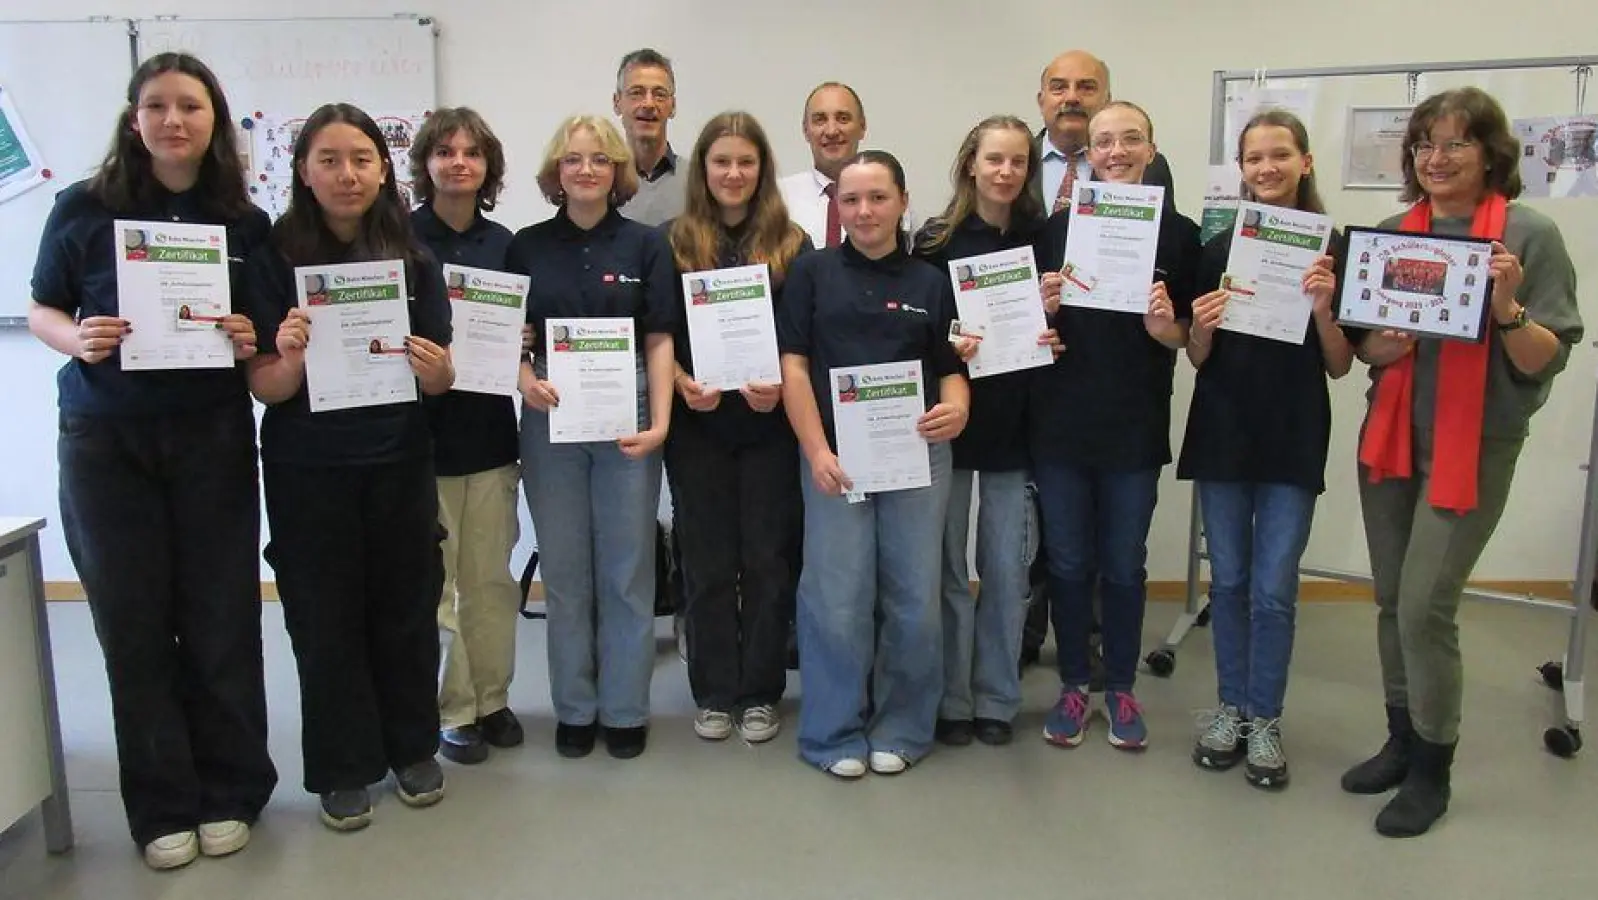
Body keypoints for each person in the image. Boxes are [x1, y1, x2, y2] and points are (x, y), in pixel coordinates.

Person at [26, 51, 275, 872]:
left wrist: (247, 336)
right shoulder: (83, 208)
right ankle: (161, 805)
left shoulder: (244, 221)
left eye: (192, 107)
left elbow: (265, 336)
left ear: (215, 120)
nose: (175, 120)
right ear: (134, 118)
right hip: (107, 444)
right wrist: (79, 336)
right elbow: (43, 308)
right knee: (131, 627)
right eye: (158, 106)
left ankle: (231, 791)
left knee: (220, 621)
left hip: (209, 436)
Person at [1342, 87, 1581, 838]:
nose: (1436, 159)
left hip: (1471, 448)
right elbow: (1366, 349)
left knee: (1425, 607)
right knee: (1389, 600)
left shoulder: (1527, 235)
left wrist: (1508, 307)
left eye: (1455, 144)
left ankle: (1433, 771)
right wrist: (1389, 340)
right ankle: (1402, 738)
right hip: (1391, 439)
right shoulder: (1390, 233)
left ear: (1491, 154)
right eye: (1423, 145)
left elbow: (1547, 356)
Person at [244, 102, 455, 832]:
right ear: (303, 170)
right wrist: (292, 357)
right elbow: (265, 386)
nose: (347, 174)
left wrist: (437, 368)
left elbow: (440, 379)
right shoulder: (273, 258)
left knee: (405, 609)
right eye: (329, 159)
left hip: (397, 459)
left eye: (362, 159)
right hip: (309, 470)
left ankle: (414, 748)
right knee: (324, 617)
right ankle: (342, 768)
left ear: (384, 168)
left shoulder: (412, 255)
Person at [1178, 110, 1359, 790]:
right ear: (1242, 169)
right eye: (1253, 158)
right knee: (1227, 582)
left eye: (1279, 155)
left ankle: (1265, 720)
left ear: (1305, 161)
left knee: (1274, 590)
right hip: (1224, 428)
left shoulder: (1331, 248)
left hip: (1292, 434)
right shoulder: (1220, 244)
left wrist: (1322, 309)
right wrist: (1200, 326)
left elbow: (1340, 366)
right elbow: (1199, 357)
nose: (1266, 168)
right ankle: (1228, 709)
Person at [779, 150, 971, 778]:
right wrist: (815, 451)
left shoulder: (928, 282)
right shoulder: (811, 273)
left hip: (917, 458)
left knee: (913, 596)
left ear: (902, 201)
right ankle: (833, 733)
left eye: (877, 198)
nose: (864, 211)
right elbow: (794, 367)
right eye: (851, 199)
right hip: (836, 459)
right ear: (838, 205)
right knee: (836, 597)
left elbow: (951, 368)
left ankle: (904, 726)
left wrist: (957, 410)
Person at [507, 115, 677, 760]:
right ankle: (575, 707)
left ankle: (626, 708)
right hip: (550, 409)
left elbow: (660, 338)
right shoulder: (525, 246)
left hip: (628, 409)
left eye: (600, 159)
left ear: (617, 170)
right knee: (568, 569)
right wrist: (524, 377)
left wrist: (660, 421)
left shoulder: (645, 245)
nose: (586, 170)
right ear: (556, 170)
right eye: (573, 159)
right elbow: (504, 335)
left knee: (628, 569)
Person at [1031, 101, 1199, 751]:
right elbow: (1028, 334)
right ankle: (1075, 684)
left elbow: (1189, 336)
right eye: (1105, 142)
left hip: (1134, 424)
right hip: (1062, 424)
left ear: (1151, 150)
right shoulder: (1056, 231)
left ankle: (1122, 685)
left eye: (1131, 139)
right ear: (1088, 156)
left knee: (1125, 564)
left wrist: (1168, 328)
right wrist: (1042, 311)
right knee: (1069, 562)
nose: (1117, 150)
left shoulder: (1180, 236)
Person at [911, 115, 1061, 747]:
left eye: (1018, 161)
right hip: (948, 428)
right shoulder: (935, 241)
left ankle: (997, 697)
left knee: (1006, 568)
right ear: (970, 163)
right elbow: (915, 333)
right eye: (993, 159)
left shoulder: (1045, 239)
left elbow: (1067, 338)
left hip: (1016, 429)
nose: (1005, 172)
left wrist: (1055, 329)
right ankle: (950, 697)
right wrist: (953, 341)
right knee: (944, 567)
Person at [664, 111, 810, 744]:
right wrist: (677, 384)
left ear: (762, 170)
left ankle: (761, 690)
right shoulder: (672, 242)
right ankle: (716, 690)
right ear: (704, 170)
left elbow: (805, 336)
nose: (733, 173)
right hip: (697, 426)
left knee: (768, 560)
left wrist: (781, 384)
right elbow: (658, 335)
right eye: (721, 161)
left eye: (745, 162)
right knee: (707, 561)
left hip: (769, 425)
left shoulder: (793, 243)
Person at [406, 107, 526, 765]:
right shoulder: (397, 238)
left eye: (472, 153)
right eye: (446, 151)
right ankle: (452, 712)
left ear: (488, 167)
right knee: (439, 589)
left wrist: (525, 342)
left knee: (491, 581)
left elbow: (519, 336)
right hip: (423, 442)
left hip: (489, 438)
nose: (459, 162)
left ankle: (493, 698)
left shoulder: (505, 245)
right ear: (426, 163)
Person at [1032, 50, 1175, 215]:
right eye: (1059, 88)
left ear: (1107, 101)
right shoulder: (1016, 162)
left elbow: (1165, 233)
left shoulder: (1148, 165)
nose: (1072, 97)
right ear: (1041, 101)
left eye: (1086, 87)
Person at [778, 82, 869, 248]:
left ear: (862, 127)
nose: (832, 131)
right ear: (805, 130)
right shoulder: (778, 198)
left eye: (843, 118)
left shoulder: (886, 198)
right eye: (820, 120)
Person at [613, 48, 684, 226]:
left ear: (673, 106)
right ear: (617, 103)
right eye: (636, 92)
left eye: (659, 94)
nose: (649, 103)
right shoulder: (601, 181)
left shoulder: (698, 181)